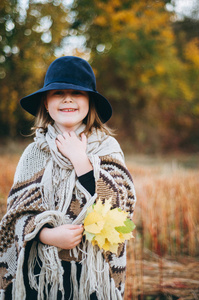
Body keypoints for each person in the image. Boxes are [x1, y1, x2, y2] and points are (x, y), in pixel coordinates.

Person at [0, 56, 136, 300]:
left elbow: (118, 210)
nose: (68, 98)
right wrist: (46, 235)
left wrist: (80, 159)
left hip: (91, 274)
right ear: (46, 102)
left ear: (90, 102)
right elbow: (16, 216)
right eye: (58, 92)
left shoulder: (107, 148)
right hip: (39, 274)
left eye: (77, 92)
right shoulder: (34, 154)